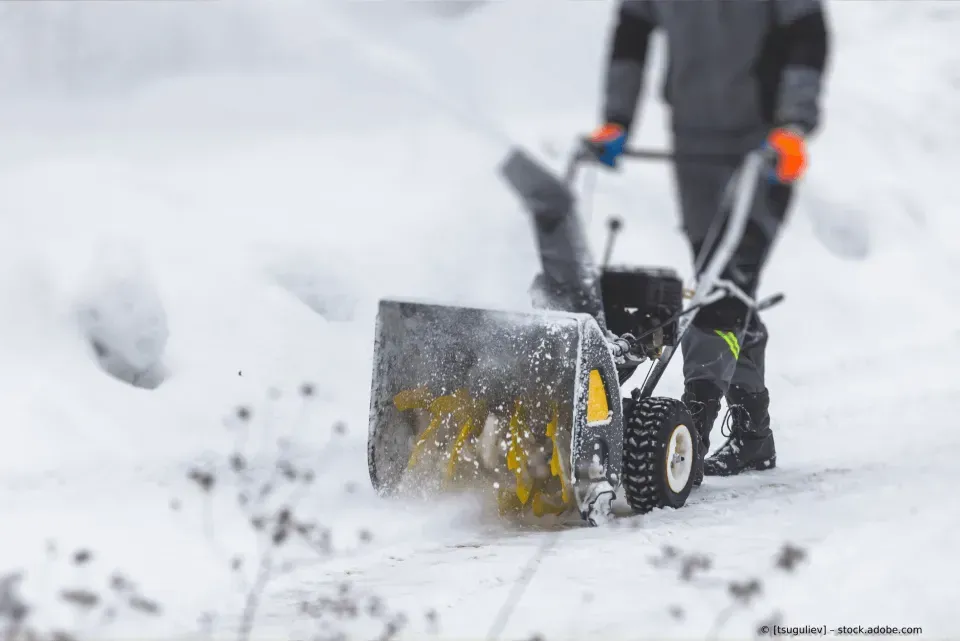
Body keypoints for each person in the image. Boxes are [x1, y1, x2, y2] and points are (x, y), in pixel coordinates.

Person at [586, 0, 830, 481]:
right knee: (722, 282)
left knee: (727, 281)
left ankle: (692, 427)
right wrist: (617, 117)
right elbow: (632, 30)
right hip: (693, 139)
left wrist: (794, 122)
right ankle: (753, 434)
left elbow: (807, 32)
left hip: (764, 143)